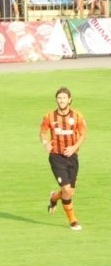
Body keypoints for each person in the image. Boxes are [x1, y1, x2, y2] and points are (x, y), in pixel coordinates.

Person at [40, 86, 87, 231]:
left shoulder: (77, 116)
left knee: (69, 192)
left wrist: (74, 147)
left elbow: (83, 134)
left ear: (69, 100)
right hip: (56, 157)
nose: (61, 100)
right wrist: (46, 143)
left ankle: (54, 197)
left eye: (64, 98)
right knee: (66, 189)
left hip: (72, 157)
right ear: (56, 100)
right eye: (59, 98)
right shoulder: (49, 116)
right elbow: (42, 132)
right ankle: (73, 221)